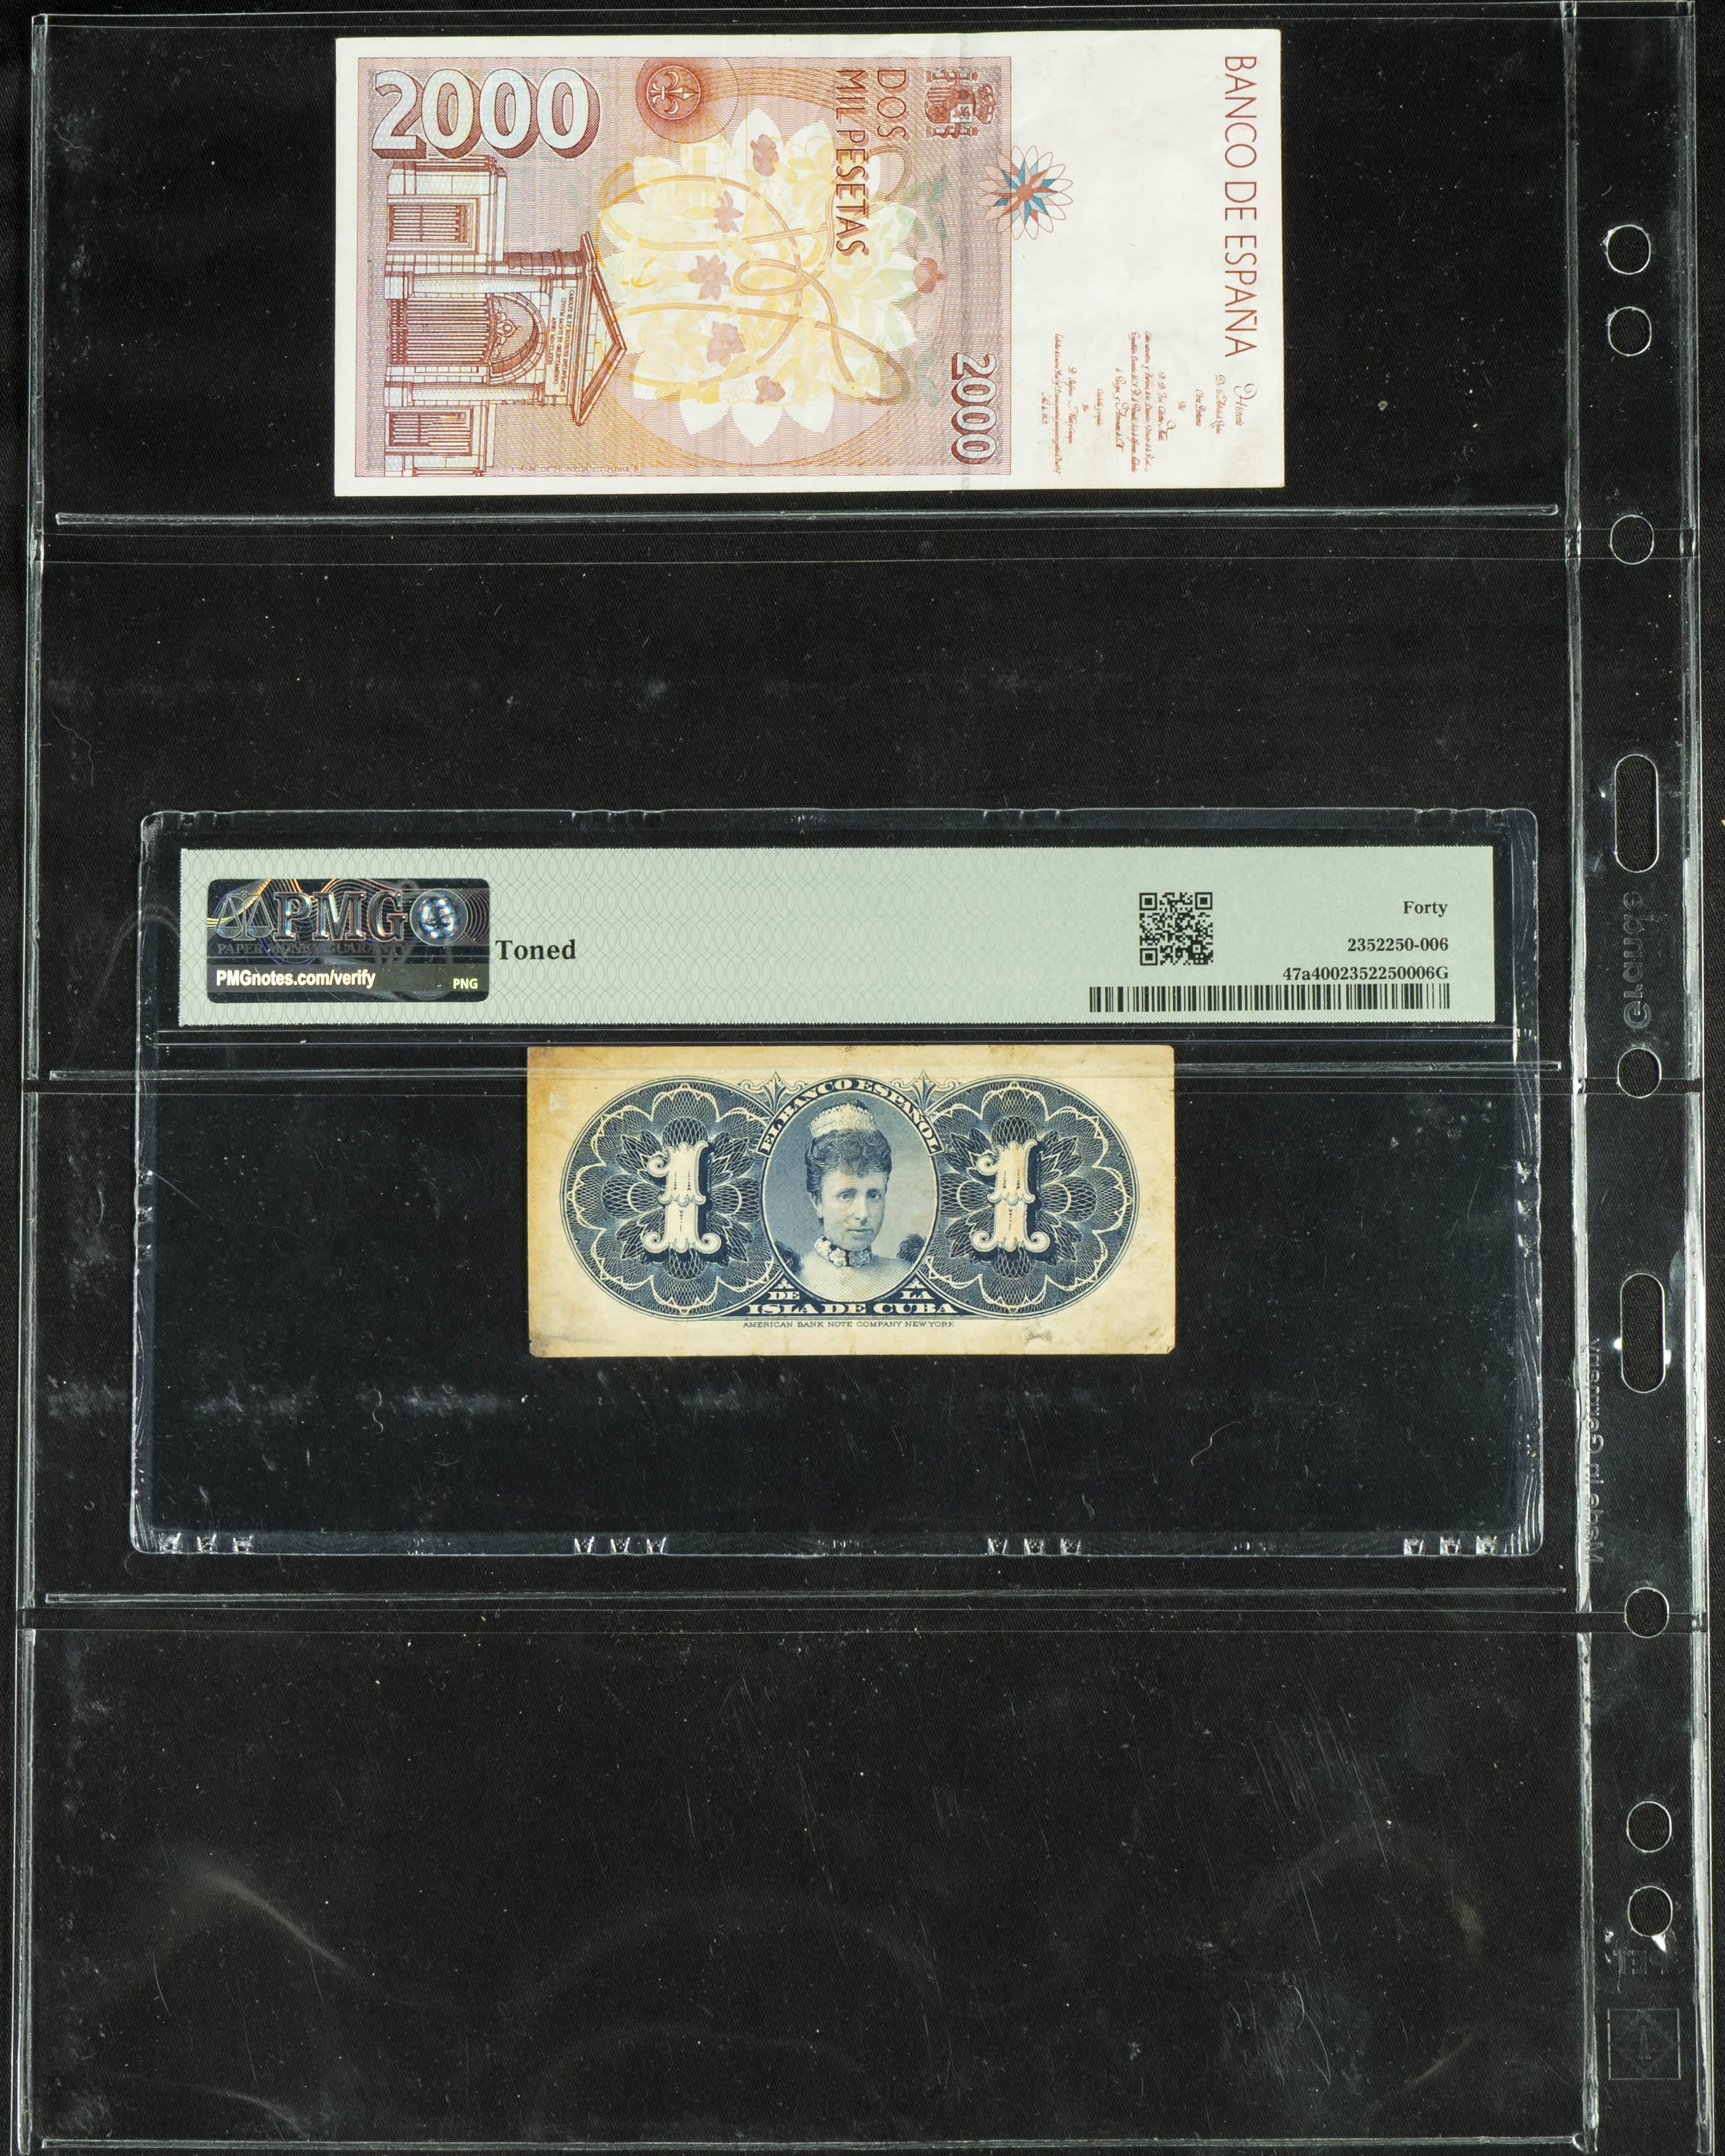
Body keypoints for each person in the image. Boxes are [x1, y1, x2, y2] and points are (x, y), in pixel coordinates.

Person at [787, 1101, 923, 1302]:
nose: (863, 1214)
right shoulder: (794, 1277)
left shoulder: (906, 1274)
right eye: (846, 1196)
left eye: (874, 1195)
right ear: (817, 1201)